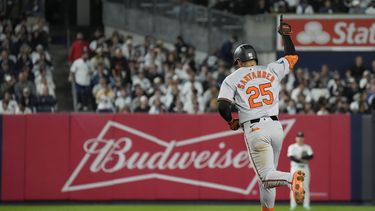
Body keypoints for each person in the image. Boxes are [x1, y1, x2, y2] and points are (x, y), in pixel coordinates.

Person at [217, 16, 305, 211]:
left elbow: (222, 106)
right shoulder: (271, 69)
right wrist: (286, 36)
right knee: (266, 177)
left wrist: (231, 121)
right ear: (255, 58)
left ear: (238, 61)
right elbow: (292, 57)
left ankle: (292, 178)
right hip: (276, 127)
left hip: (255, 129)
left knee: (266, 176)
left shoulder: (233, 78)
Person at [287, 132, 314, 210]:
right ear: (296, 138)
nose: (300, 138)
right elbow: (291, 157)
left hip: (305, 168)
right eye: (298, 137)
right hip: (295, 168)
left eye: (301, 137)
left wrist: (301, 158)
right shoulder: (292, 147)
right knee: (294, 186)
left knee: (305, 186)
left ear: (303, 138)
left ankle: (306, 205)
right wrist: (302, 160)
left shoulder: (307, 147)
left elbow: (311, 156)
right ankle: (293, 205)